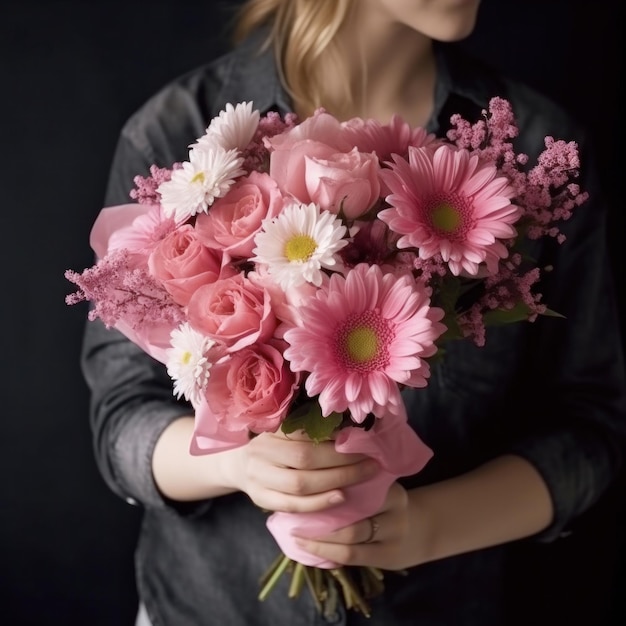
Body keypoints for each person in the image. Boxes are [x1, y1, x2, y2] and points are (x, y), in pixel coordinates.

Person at [81, 1, 626, 624]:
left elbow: (590, 426)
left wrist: (428, 528)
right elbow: (122, 414)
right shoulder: (181, 133)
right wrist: (238, 464)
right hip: (209, 604)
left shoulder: (529, 158)